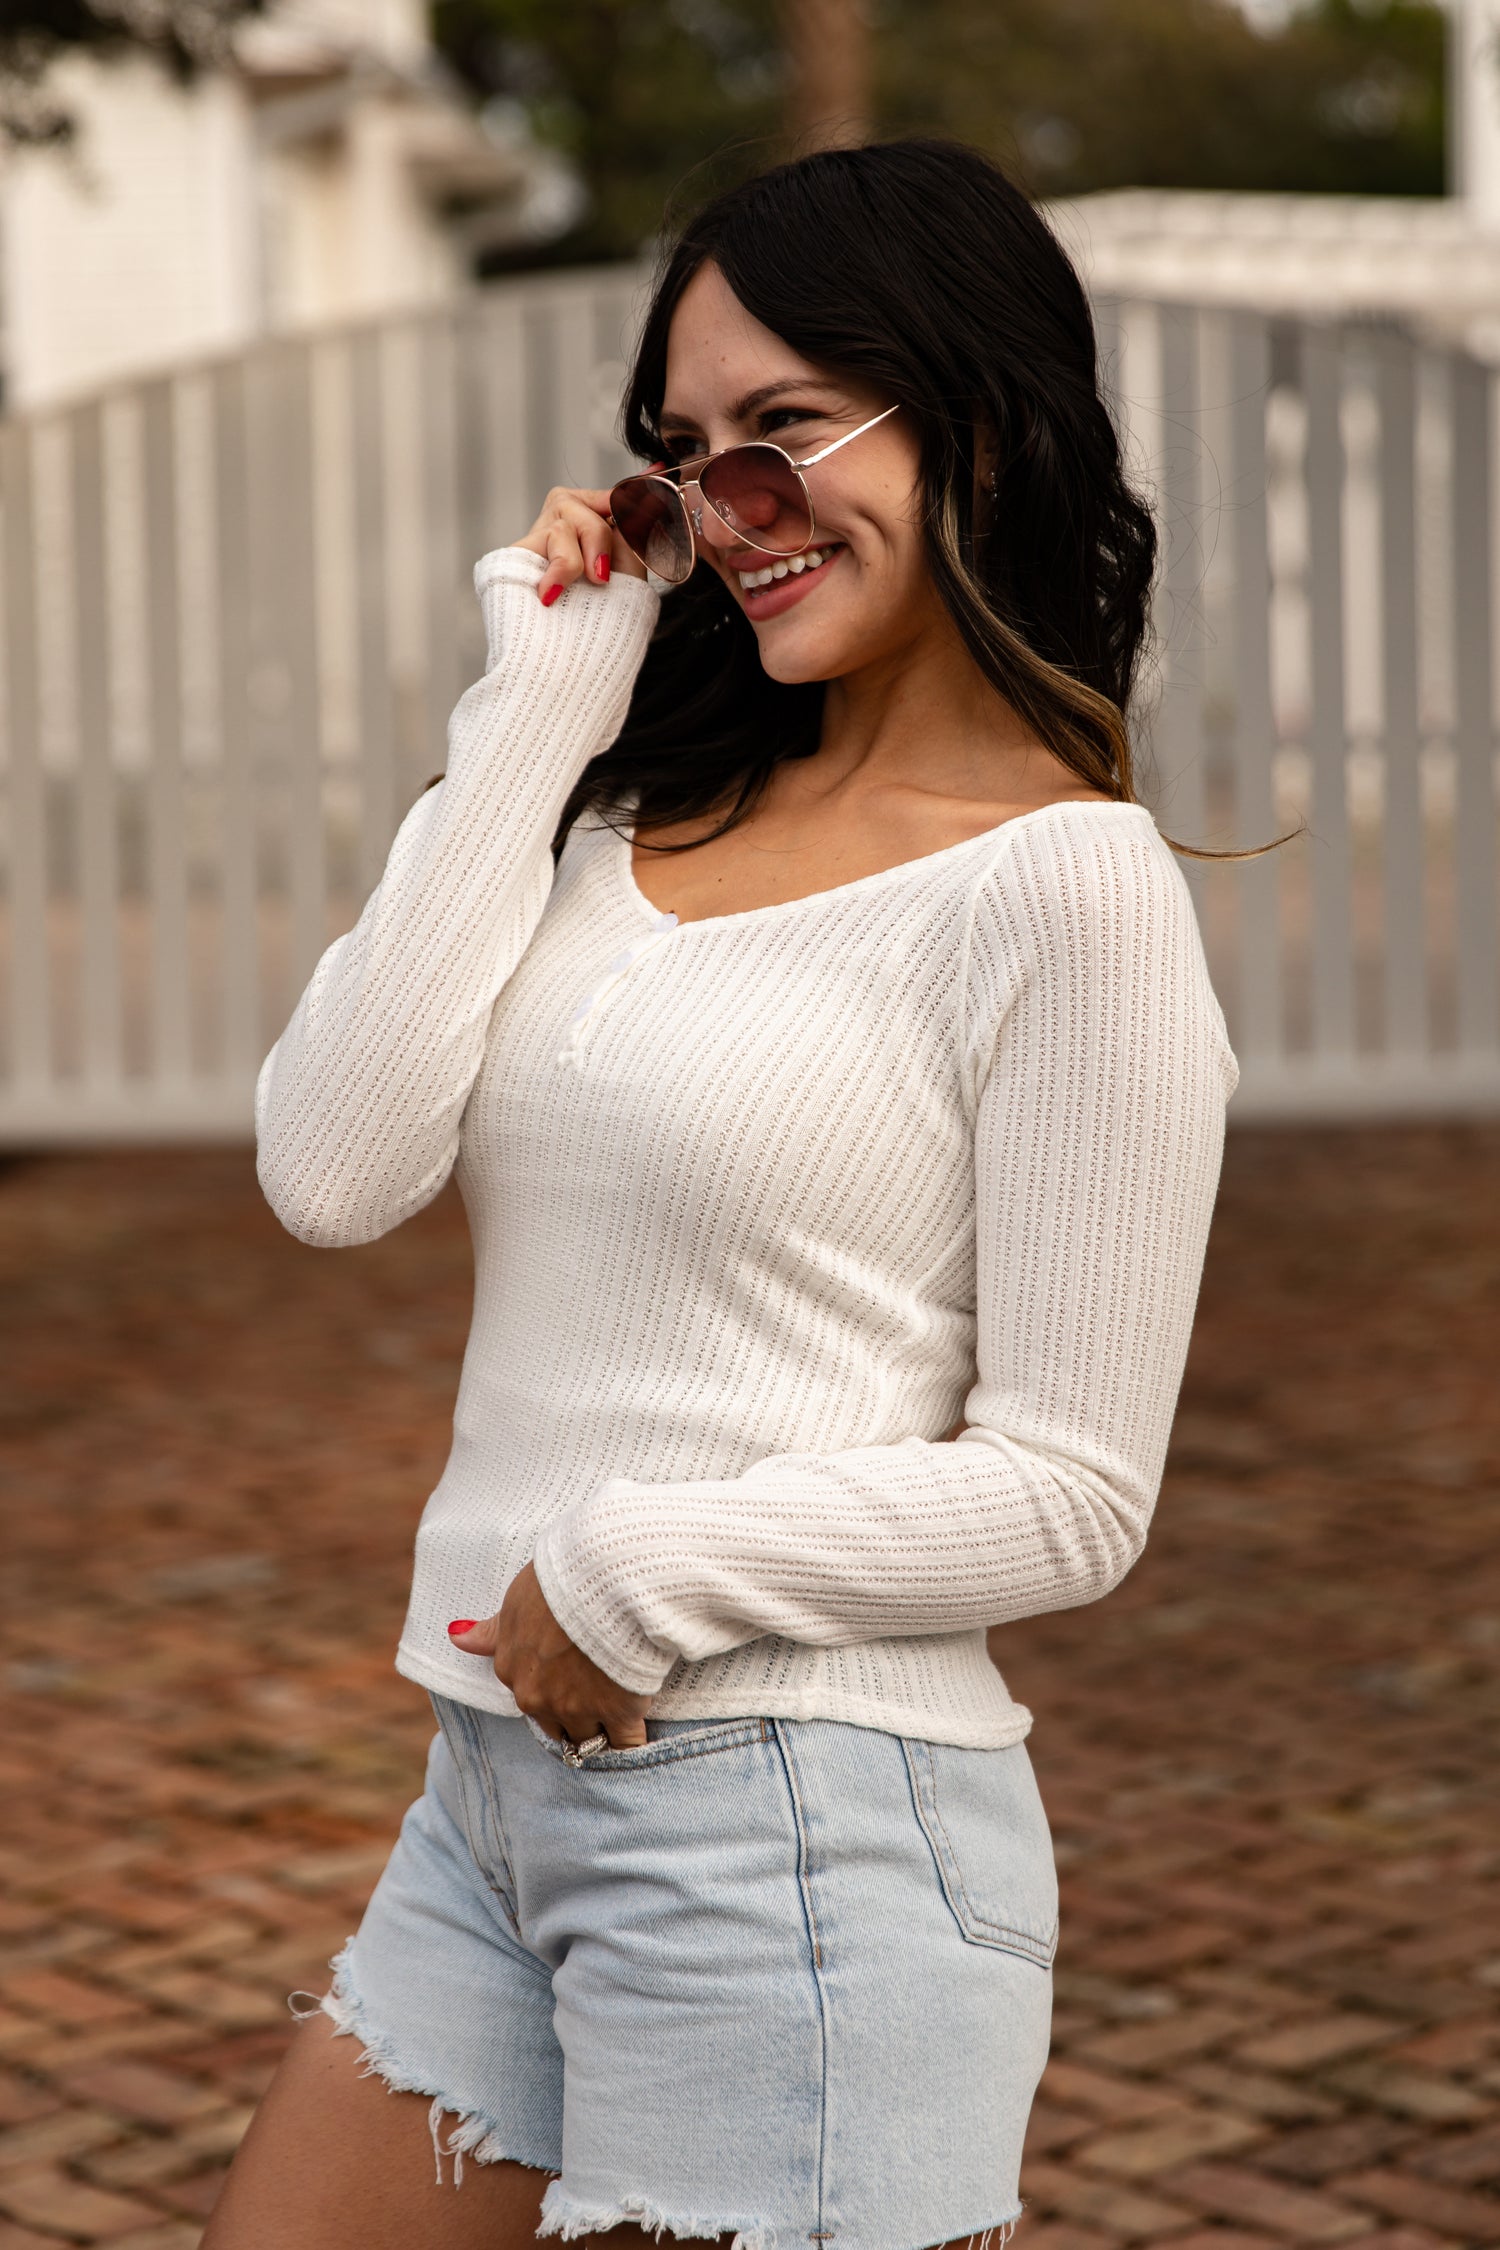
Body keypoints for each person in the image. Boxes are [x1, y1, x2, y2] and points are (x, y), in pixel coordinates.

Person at [204, 137, 1238, 2250]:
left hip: (798, 1829)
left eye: (786, 437)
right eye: (685, 457)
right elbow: (331, 1164)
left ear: (975, 421)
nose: (729, 513)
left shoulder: (1071, 890)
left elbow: (1073, 1487)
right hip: (488, 1803)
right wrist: (547, 689)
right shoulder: (629, 811)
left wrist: (636, 1572)